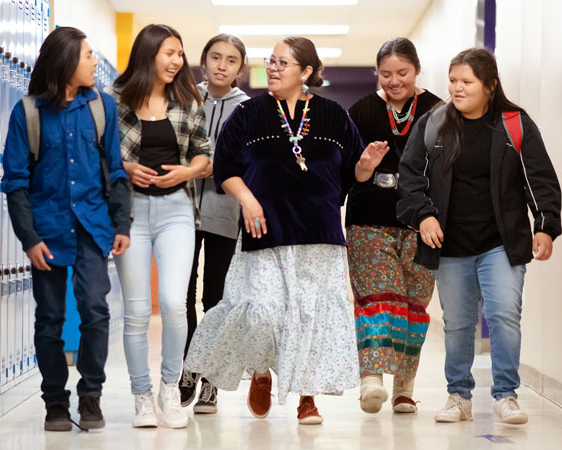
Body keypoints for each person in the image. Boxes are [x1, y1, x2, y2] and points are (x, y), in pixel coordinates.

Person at [184, 36, 388, 425]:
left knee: (309, 317)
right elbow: (225, 168)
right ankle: (261, 370)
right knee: (261, 311)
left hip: (319, 232)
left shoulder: (332, 114)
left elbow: (353, 176)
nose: (273, 68)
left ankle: (307, 398)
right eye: (271, 61)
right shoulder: (247, 114)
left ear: (306, 72)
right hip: (265, 231)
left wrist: (366, 163)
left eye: (283, 63)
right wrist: (247, 199)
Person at [396, 48, 562, 424]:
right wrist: (423, 216)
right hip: (450, 245)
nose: (456, 88)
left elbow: (540, 178)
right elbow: (410, 177)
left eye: (466, 82)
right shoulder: (435, 123)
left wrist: (546, 225)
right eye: (452, 80)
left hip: (501, 243)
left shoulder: (514, 124)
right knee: (457, 323)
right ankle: (459, 396)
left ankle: (506, 395)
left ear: (489, 86)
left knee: (504, 314)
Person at [2, 27, 131, 432]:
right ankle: (55, 402)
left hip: (93, 227)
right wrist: (29, 238)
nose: (95, 62)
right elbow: (16, 181)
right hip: (47, 231)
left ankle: (90, 395)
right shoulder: (27, 113)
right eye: (88, 55)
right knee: (50, 318)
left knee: (95, 309)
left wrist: (121, 222)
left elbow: (115, 170)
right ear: (66, 61)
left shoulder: (102, 108)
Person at [106, 24, 210, 429]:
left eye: (180, 53)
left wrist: (185, 172)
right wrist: (124, 167)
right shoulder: (114, 100)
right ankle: (141, 397)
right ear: (148, 53)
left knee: (171, 302)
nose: (176, 61)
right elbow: (101, 153)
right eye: (169, 52)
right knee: (135, 311)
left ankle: (170, 387)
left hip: (175, 211)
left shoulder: (187, 99)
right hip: (130, 213)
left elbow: (205, 155)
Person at [346, 37, 440, 414]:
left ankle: (404, 385)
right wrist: (365, 167)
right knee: (378, 300)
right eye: (385, 74)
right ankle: (371, 379)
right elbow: (347, 174)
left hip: (422, 225)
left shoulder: (437, 111)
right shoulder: (361, 111)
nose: (394, 80)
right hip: (369, 220)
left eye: (402, 73)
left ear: (417, 70)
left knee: (414, 306)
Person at [179, 34, 250, 415]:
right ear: (203, 60)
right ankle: (189, 368)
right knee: (182, 296)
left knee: (217, 299)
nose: (222, 65)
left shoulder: (249, 109)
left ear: (241, 68)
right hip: (182, 211)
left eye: (231, 60)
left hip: (226, 214)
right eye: (215, 57)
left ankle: (211, 382)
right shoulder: (185, 98)